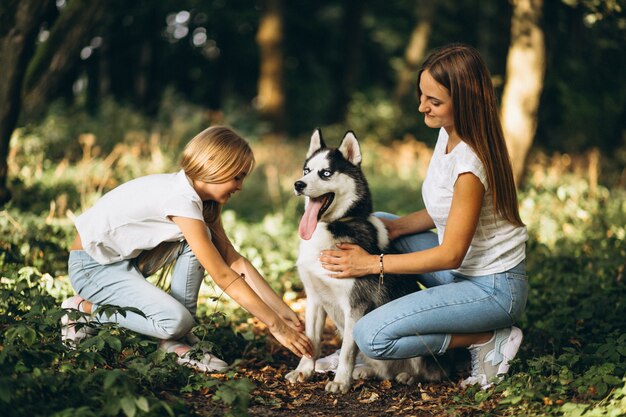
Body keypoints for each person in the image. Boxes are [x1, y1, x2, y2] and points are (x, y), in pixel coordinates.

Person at [318, 44, 529, 389]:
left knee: (372, 337)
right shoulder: (448, 134)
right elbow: (445, 209)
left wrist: (372, 263)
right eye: (422, 95)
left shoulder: (471, 165)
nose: (421, 107)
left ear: (465, 102)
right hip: (462, 274)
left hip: (492, 288)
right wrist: (396, 227)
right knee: (382, 223)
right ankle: (396, 318)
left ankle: (486, 336)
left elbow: (450, 254)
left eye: (434, 101)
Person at [61, 126, 313, 371]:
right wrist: (275, 326)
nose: (240, 186)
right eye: (237, 177)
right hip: (91, 267)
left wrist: (283, 313)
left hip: (123, 262)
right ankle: (82, 310)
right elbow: (224, 276)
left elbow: (235, 262)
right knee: (174, 321)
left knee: (199, 245)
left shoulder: (196, 200)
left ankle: (173, 342)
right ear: (215, 165)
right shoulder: (181, 201)